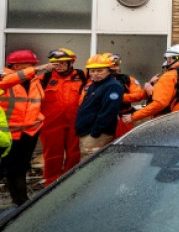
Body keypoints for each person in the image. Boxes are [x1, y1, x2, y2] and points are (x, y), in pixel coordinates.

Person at [0, 50, 53, 204]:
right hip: (8, 134)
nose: (34, 67)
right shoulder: (4, 77)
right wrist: (35, 70)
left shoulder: (35, 80)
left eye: (34, 65)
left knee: (20, 168)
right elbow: (8, 81)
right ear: (16, 66)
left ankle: (21, 201)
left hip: (29, 132)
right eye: (30, 65)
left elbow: (36, 104)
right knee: (7, 168)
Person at [122, 44, 179, 126]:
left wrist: (133, 116)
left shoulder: (169, 76)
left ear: (172, 59)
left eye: (168, 59)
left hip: (169, 123)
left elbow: (160, 103)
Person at [39, 48, 85, 186]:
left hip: (75, 121)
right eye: (55, 63)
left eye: (62, 63)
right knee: (52, 155)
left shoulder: (82, 76)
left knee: (74, 153)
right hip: (51, 124)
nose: (58, 66)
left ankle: (69, 183)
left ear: (71, 63)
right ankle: (51, 184)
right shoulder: (45, 78)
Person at [74, 54, 124, 159]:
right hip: (87, 132)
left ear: (109, 70)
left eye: (99, 70)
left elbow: (109, 111)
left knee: (90, 165)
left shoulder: (112, 86)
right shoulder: (95, 84)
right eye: (92, 71)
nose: (95, 74)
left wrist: (96, 132)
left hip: (96, 134)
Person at [107, 54, 145, 138]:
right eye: (113, 66)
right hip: (105, 117)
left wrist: (120, 98)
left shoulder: (127, 79)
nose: (116, 68)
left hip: (123, 117)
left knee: (123, 141)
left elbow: (138, 95)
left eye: (116, 65)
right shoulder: (97, 81)